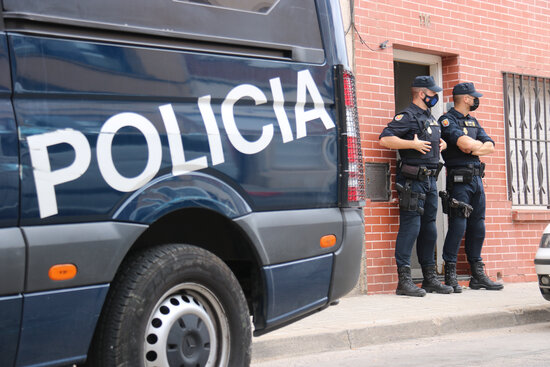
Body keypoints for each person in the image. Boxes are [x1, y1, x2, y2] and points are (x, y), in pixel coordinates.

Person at [380, 76, 452, 297]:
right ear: (422, 94)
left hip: (430, 180)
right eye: (432, 93)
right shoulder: (407, 116)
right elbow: (385, 139)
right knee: (410, 227)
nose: (435, 97)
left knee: (429, 228)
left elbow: (435, 142)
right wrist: (411, 144)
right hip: (413, 181)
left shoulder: (431, 118)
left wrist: (444, 143)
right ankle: (404, 281)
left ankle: (430, 278)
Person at [439, 82, 503, 292]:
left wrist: (474, 148)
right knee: (459, 225)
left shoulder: (473, 121)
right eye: (474, 97)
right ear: (465, 98)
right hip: (459, 181)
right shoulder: (447, 120)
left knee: (478, 227)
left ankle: (477, 275)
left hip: (477, 180)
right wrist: (475, 147)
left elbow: (491, 146)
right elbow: (464, 144)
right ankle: (450, 273)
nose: (476, 100)